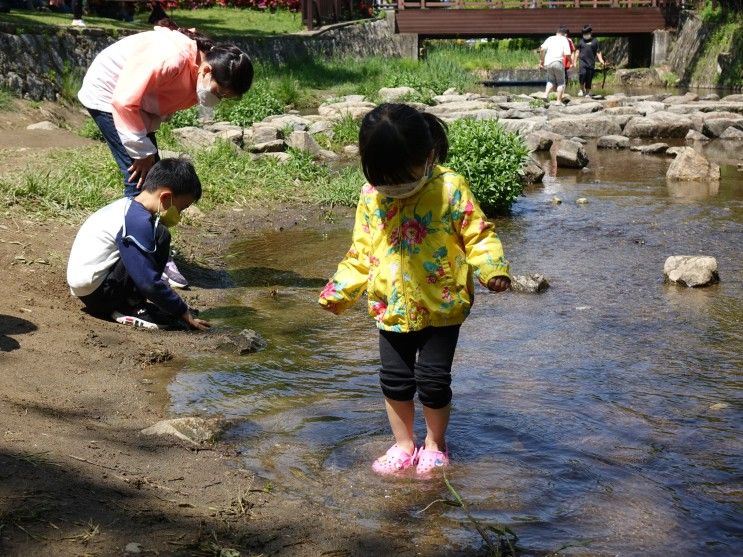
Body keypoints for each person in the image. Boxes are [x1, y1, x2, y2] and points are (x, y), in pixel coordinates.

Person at [318, 104, 511, 477]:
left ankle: (436, 443)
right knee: (395, 379)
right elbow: (362, 251)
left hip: (442, 305)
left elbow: (479, 235)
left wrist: (491, 270)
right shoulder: (371, 197)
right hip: (390, 306)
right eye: (385, 180)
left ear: (429, 157)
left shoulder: (450, 188)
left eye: (404, 178)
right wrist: (340, 291)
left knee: (433, 381)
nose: (396, 189)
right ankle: (404, 444)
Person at [77, 25, 253, 288]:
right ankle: (145, 257)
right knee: (140, 180)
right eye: (218, 93)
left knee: (152, 177)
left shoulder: (201, 68)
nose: (217, 100)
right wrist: (141, 150)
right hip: (109, 94)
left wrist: (147, 152)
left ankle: (152, 248)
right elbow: (123, 101)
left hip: (135, 104)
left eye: (224, 98)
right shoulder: (171, 58)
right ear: (206, 71)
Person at [67, 158, 211, 331]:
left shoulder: (127, 207)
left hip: (87, 290)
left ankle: (129, 301)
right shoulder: (138, 222)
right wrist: (181, 310)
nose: (178, 215)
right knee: (160, 235)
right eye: (180, 208)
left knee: (155, 235)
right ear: (165, 197)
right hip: (100, 296)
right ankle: (132, 306)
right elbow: (147, 282)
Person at [539, 26, 572, 104]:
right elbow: (567, 54)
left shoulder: (550, 38)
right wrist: (572, 62)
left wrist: (541, 61)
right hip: (558, 62)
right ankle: (558, 101)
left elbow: (542, 49)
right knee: (561, 82)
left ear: (557, 32)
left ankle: (545, 95)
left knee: (550, 80)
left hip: (548, 63)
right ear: (565, 34)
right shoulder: (564, 39)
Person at [576, 25, 606, 97]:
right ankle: (582, 90)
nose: (585, 35)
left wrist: (601, 60)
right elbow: (577, 51)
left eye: (587, 33)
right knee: (582, 74)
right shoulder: (581, 41)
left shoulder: (595, 41)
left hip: (591, 62)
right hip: (582, 61)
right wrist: (574, 61)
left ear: (590, 33)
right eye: (584, 34)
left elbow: (598, 52)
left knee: (589, 77)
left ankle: (588, 92)